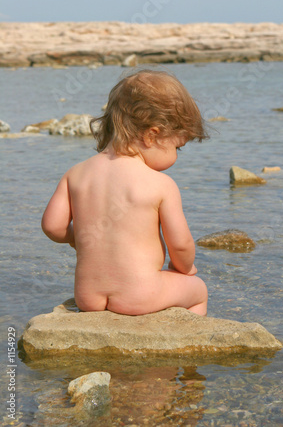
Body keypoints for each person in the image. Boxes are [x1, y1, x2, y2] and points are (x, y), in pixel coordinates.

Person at [41, 69, 209, 316]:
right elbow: (181, 245)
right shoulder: (161, 184)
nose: (176, 156)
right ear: (152, 136)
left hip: (87, 296)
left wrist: (76, 236)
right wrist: (184, 268)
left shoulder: (76, 173)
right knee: (198, 290)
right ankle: (185, 341)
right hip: (140, 295)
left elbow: (52, 226)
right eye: (177, 147)